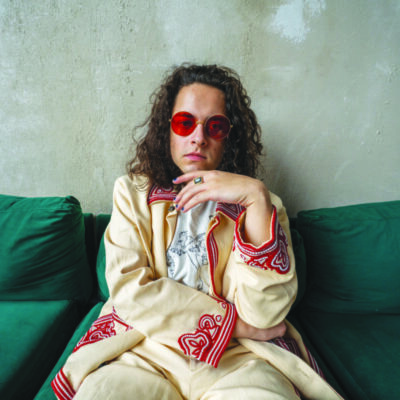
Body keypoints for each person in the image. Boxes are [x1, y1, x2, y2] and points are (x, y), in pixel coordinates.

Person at [52, 64, 343, 399]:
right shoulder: (132, 194)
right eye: (185, 122)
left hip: (242, 358)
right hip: (143, 347)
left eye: (215, 126)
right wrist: (234, 326)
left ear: (230, 137)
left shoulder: (265, 206)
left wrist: (256, 198)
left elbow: (265, 315)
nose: (198, 137)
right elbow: (129, 290)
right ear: (168, 129)